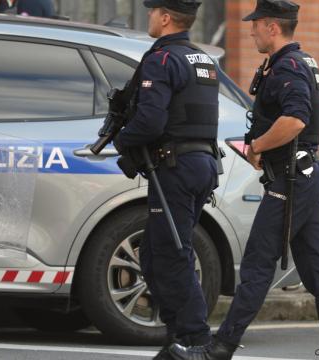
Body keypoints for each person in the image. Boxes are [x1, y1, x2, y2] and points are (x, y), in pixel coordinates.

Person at [169, 1, 319, 360]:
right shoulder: (301, 62)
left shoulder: (287, 67)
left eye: (255, 24)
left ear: (272, 27)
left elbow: (296, 119)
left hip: (291, 180)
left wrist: (257, 146)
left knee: (256, 265)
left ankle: (221, 347)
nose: (250, 30)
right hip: (306, 175)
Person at [113, 1, 221, 359]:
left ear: (166, 17)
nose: (149, 17)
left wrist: (121, 140)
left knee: (172, 255)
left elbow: (150, 123)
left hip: (176, 167)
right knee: (157, 257)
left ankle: (195, 339)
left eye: (152, 11)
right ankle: (177, 337)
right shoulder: (202, 58)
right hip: (201, 164)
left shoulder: (162, 60)